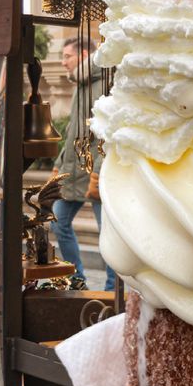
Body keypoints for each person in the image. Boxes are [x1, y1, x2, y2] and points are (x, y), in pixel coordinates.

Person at [52, 39, 116, 292]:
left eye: (67, 56)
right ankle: (77, 279)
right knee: (58, 220)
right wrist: (59, 164)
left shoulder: (107, 76)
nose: (63, 61)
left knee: (108, 238)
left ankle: (112, 291)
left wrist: (99, 173)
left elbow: (109, 130)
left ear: (85, 55)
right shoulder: (81, 81)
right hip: (76, 168)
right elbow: (74, 130)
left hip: (98, 170)